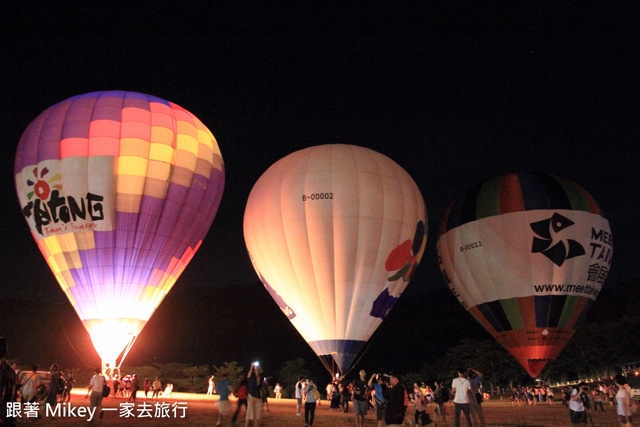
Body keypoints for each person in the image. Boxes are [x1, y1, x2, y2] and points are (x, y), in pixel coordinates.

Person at [245, 362, 263, 427]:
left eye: (258, 366)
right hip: (251, 395)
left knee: (257, 415)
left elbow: (260, 388)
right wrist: (251, 367)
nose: (257, 368)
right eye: (256, 366)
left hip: (257, 396)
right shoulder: (252, 375)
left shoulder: (261, 377)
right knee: (249, 413)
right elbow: (248, 376)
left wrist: (261, 397)